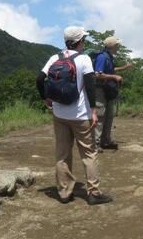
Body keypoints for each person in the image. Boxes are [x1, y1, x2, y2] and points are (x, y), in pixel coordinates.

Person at [36, 26, 113, 206]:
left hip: (59, 113)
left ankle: (64, 193)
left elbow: (39, 79)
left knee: (62, 153)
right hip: (80, 116)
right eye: (83, 40)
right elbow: (90, 85)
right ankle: (93, 193)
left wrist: (45, 98)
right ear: (79, 42)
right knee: (89, 153)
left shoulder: (55, 57)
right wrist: (93, 110)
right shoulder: (84, 59)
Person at [93, 36, 133, 151]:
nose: (118, 47)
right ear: (112, 46)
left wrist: (124, 68)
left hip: (107, 89)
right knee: (100, 116)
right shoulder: (102, 57)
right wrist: (114, 77)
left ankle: (105, 140)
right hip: (100, 90)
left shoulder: (109, 57)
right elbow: (97, 74)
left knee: (109, 116)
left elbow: (110, 70)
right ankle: (95, 144)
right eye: (117, 45)